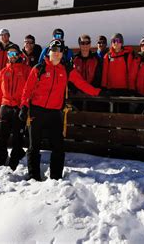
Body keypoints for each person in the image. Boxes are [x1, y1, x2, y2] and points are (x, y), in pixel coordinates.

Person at [19, 39, 103, 181]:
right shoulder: (38, 69)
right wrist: (24, 106)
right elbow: (27, 90)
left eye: (60, 51)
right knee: (34, 146)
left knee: (58, 146)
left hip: (54, 113)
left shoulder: (66, 70)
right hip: (36, 112)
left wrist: (98, 92)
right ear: (49, 52)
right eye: (54, 50)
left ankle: (56, 177)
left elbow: (81, 84)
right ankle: (33, 177)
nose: (57, 54)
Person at [0, 44, 31, 169]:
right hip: (5, 106)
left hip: (19, 107)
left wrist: (26, 108)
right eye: (10, 54)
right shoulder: (3, 72)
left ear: (19, 55)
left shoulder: (26, 70)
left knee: (17, 139)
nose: (12, 56)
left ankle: (14, 163)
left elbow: (30, 90)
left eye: (14, 54)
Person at [101, 33, 135, 112]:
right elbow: (105, 73)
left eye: (118, 41)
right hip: (111, 90)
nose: (116, 43)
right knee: (112, 112)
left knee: (124, 112)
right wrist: (103, 87)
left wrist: (131, 88)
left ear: (122, 42)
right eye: (113, 41)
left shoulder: (127, 55)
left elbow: (130, 73)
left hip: (124, 89)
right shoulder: (107, 56)